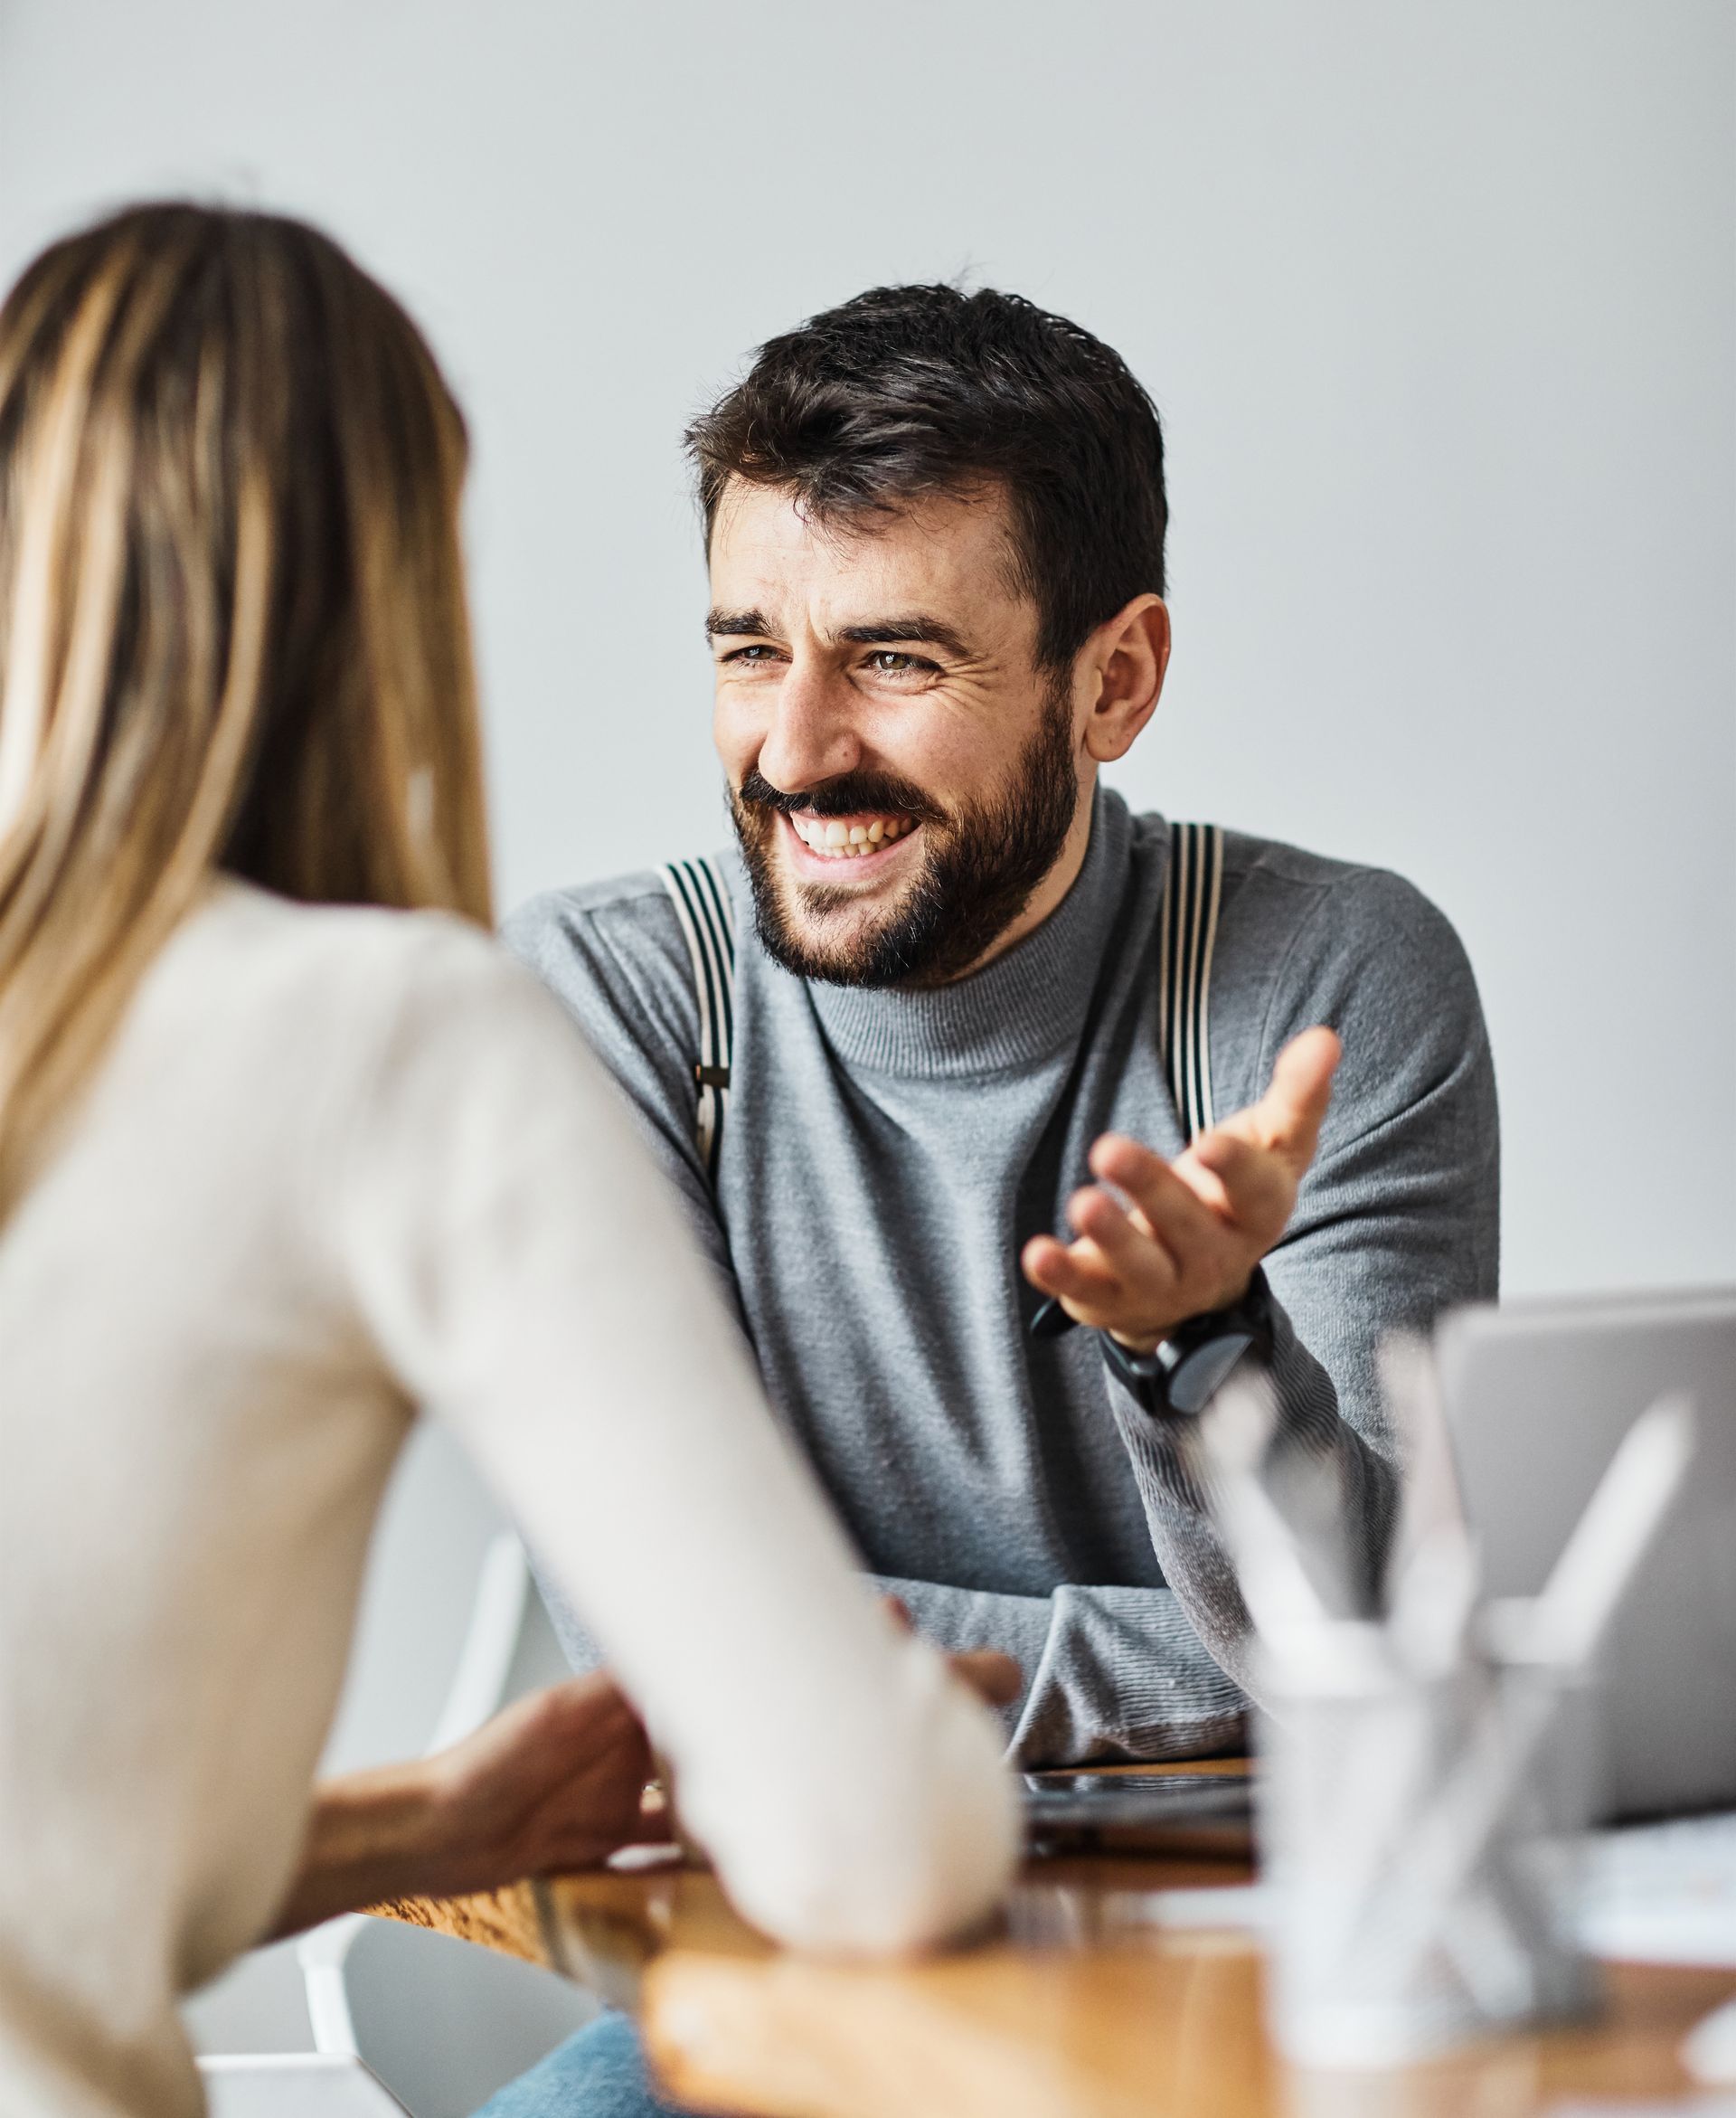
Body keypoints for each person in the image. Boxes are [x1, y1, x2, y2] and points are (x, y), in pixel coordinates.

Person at [0, 207, 1019, 2118]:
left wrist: (420, 1821)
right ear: (382, 587)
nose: (802, 737)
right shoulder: (397, 1032)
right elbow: (869, 1846)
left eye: (888, 654)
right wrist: (918, 1739)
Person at [486, 279, 1499, 2117]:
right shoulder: (610, 1003)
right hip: (801, 1982)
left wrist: (1208, 1351)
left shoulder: (1322, 983)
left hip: (1280, 1981)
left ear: (1111, 681)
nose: (792, 752)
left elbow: (1379, 1661)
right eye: (745, 649)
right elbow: (695, 1675)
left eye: (891, 660)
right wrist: (1215, 1688)